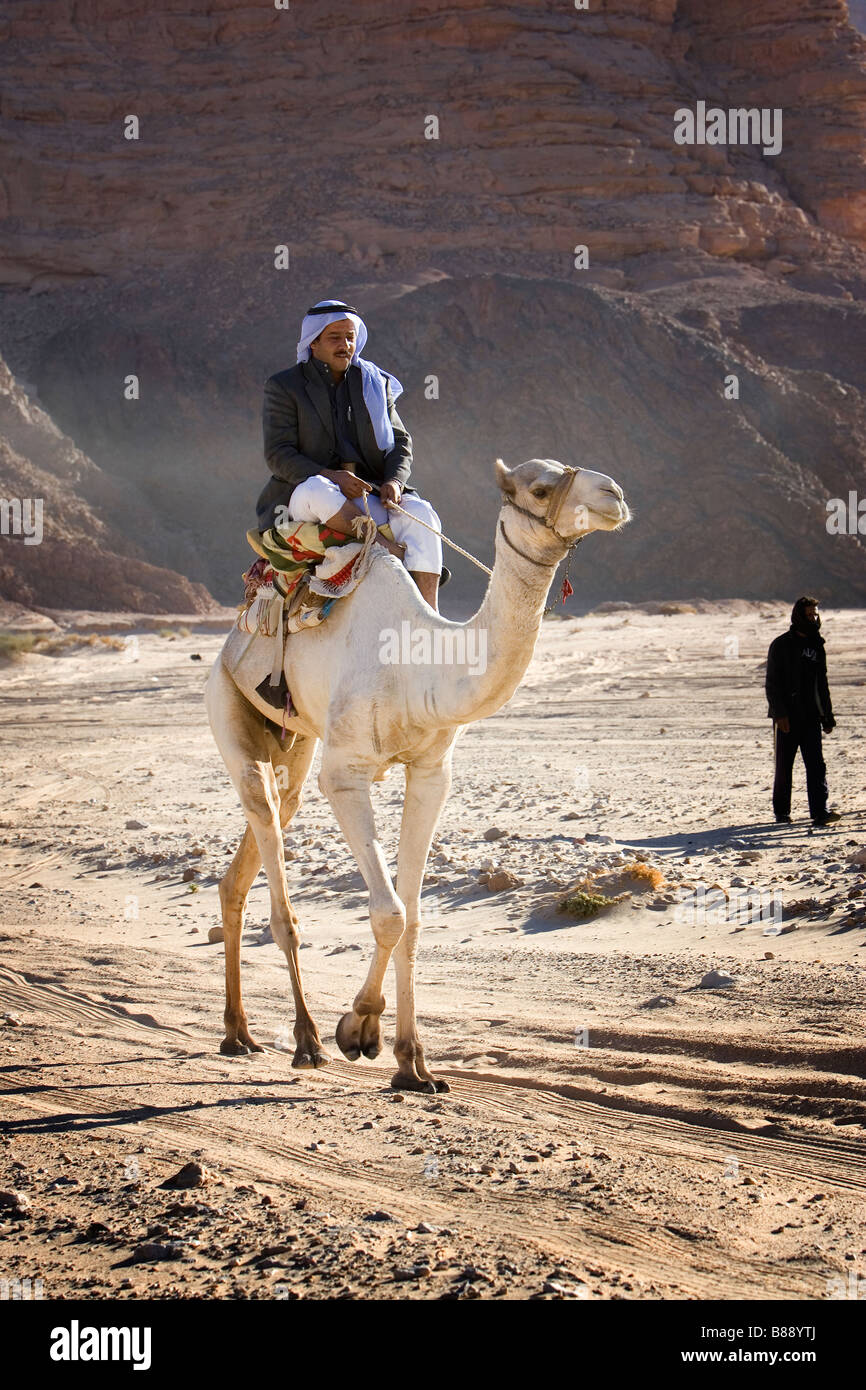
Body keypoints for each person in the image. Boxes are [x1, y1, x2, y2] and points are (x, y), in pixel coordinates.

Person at [256, 299, 444, 611]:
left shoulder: (374, 382)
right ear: (313, 342)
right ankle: (390, 554)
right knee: (319, 489)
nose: (345, 345)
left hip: (368, 496)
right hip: (308, 497)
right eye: (335, 338)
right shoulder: (284, 386)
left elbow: (400, 442)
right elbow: (278, 454)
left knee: (423, 515)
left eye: (350, 337)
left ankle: (428, 616)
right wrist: (333, 476)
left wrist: (395, 482)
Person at [765, 596, 840, 827]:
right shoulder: (781, 645)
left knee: (816, 765)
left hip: (811, 717)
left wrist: (827, 716)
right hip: (787, 717)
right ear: (798, 615)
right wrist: (779, 714)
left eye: (815, 614)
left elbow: (822, 684)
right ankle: (782, 812)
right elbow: (772, 683)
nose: (813, 618)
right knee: (784, 766)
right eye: (808, 614)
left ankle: (820, 811)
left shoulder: (817, 644)